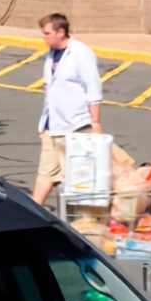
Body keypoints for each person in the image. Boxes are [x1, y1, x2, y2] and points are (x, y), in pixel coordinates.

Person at [31, 12, 103, 206]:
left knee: (78, 179)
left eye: (47, 33)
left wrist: (95, 122)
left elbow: (93, 88)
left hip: (74, 126)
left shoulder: (81, 53)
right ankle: (33, 210)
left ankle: (82, 217)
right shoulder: (51, 54)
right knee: (46, 173)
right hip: (51, 125)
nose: (43, 37)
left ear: (60, 32)